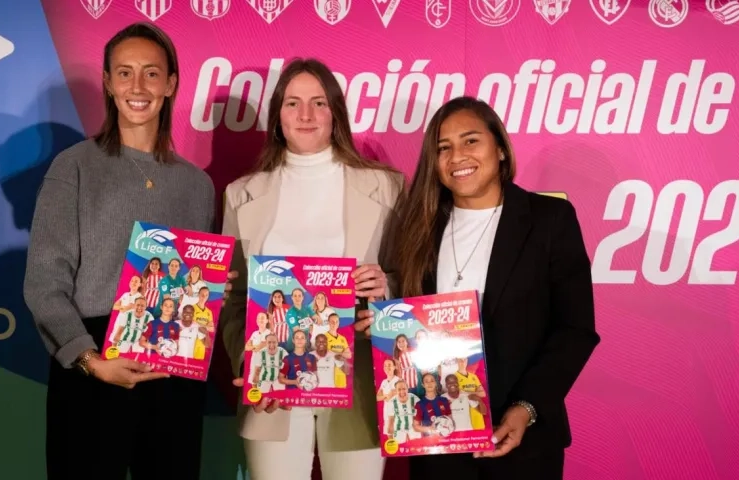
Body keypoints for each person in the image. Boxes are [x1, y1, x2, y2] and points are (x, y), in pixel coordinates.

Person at [24, 22, 232, 479]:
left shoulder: (197, 185)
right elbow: (44, 282)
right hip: (92, 367)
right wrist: (91, 360)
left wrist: (214, 286)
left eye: (151, 74)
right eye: (124, 73)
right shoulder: (74, 167)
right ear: (107, 81)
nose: (138, 87)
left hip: (173, 370)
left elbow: (196, 288)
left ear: (171, 83)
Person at [384, 96, 600, 479]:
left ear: (499, 148)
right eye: (443, 148)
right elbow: (407, 322)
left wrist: (526, 407)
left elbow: (575, 329)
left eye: (471, 141)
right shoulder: (418, 230)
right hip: (436, 436)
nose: (457, 156)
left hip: (523, 437)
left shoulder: (549, 220)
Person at [219, 57, 404, 480]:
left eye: (318, 103)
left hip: (359, 382)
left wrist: (386, 288)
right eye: (292, 103)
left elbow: (412, 279)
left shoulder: (388, 186)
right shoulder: (240, 193)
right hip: (272, 391)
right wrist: (246, 364)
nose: (305, 115)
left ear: (335, 113)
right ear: (277, 117)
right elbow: (232, 301)